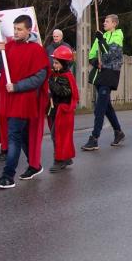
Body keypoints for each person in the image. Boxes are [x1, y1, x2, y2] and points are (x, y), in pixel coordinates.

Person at [0, 15, 49, 189]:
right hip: (8, 99)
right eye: (15, 28)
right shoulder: (8, 46)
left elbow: (39, 78)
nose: (16, 32)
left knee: (14, 136)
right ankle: (34, 165)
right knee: (21, 135)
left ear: (28, 30)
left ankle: (8, 176)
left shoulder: (36, 50)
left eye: (20, 29)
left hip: (23, 100)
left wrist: (17, 87)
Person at [81, 14, 126, 151]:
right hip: (100, 74)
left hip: (111, 74)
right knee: (106, 106)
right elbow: (92, 55)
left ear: (114, 24)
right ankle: (118, 132)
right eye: (104, 21)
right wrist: (95, 62)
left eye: (107, 21)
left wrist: (101, 41)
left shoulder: (118, 36)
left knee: (100, 107)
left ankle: (94, 138)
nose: (104, 23)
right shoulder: (102, 35)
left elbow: (110, 55)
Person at [47, 46, 79, 172]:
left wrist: (51, 83)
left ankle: (59, 159)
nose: (54, 65)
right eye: (54, 62)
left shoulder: (66, 76)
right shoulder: (56, 74)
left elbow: (64, 92)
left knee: (57, 136)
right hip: (55, 110)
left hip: (63, 111)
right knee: (56, 135)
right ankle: (66, 158)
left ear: (64, 64)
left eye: (56, 63)